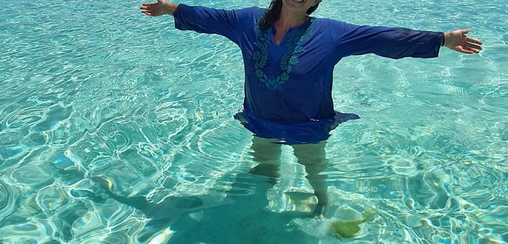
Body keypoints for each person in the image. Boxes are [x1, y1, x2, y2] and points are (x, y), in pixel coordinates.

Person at [140, 0, 482, 216]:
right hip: (261, 119)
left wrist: (440, 39)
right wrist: (170, 9)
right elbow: (208, 17)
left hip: (308, 124)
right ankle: (260, 199)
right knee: (264, 163)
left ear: (316, 2)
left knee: (313, 168)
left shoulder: (331, 33)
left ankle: (322, 203)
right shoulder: (247, 22)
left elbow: (382, 38)